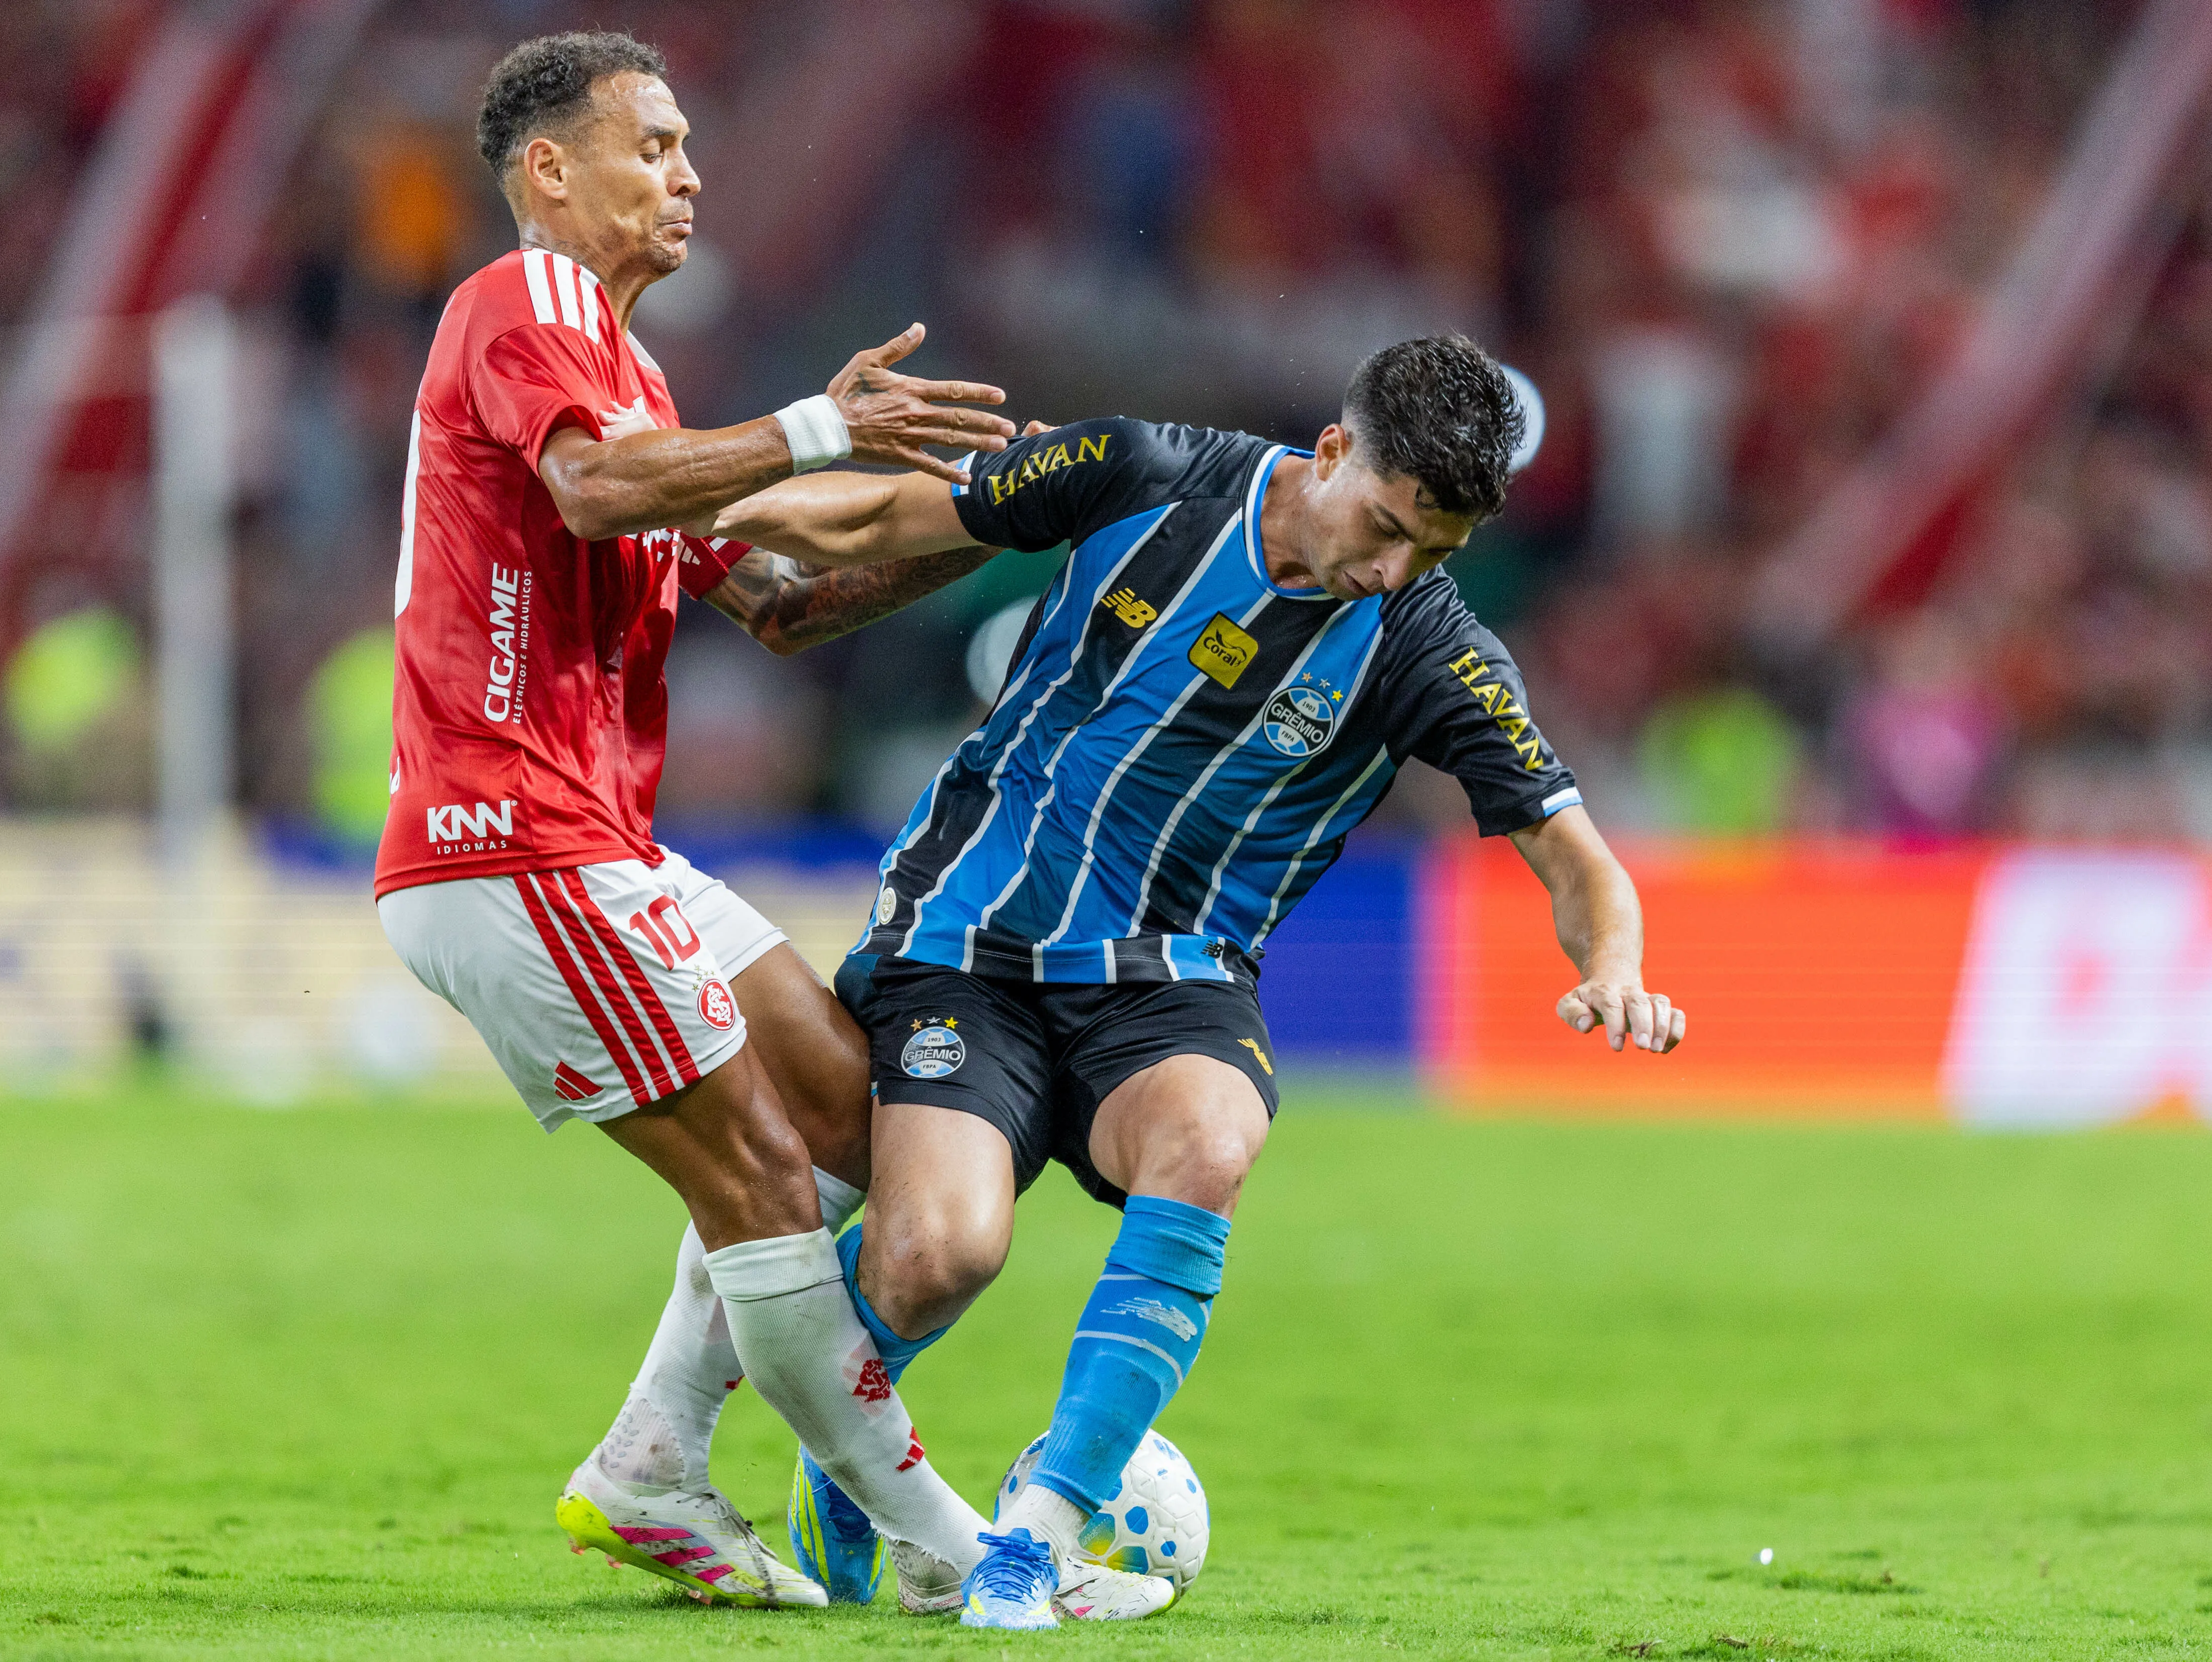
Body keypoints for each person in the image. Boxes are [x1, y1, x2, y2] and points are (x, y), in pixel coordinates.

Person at [715, 334, 1690, 1628]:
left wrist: (1616, 966)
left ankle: (1035, 1532)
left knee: (1214, 1141)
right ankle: (846, 1465)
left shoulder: (1429, 649)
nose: (1393, 569)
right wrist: (715, 505)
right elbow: (911, 512)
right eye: (1389, 526)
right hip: (971, 936)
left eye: (1434, 553)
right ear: (1335, 452)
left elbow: (1579, 862)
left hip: (1172, 981)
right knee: (939, 1256)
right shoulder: (1145, 472)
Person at [375, 29, 1028, 1612]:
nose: (686, 175)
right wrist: (821, 423)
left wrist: (1019, 521)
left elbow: (792, 605)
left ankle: (655, 1457)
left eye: (685, 147)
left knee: (847, 1117)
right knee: (753, 1176)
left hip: (594, 839)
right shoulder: (518, 304)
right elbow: (603, 494)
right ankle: (961, 1563)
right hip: (507, 838)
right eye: (651, 145)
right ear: (549, 171)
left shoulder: (637, 381)